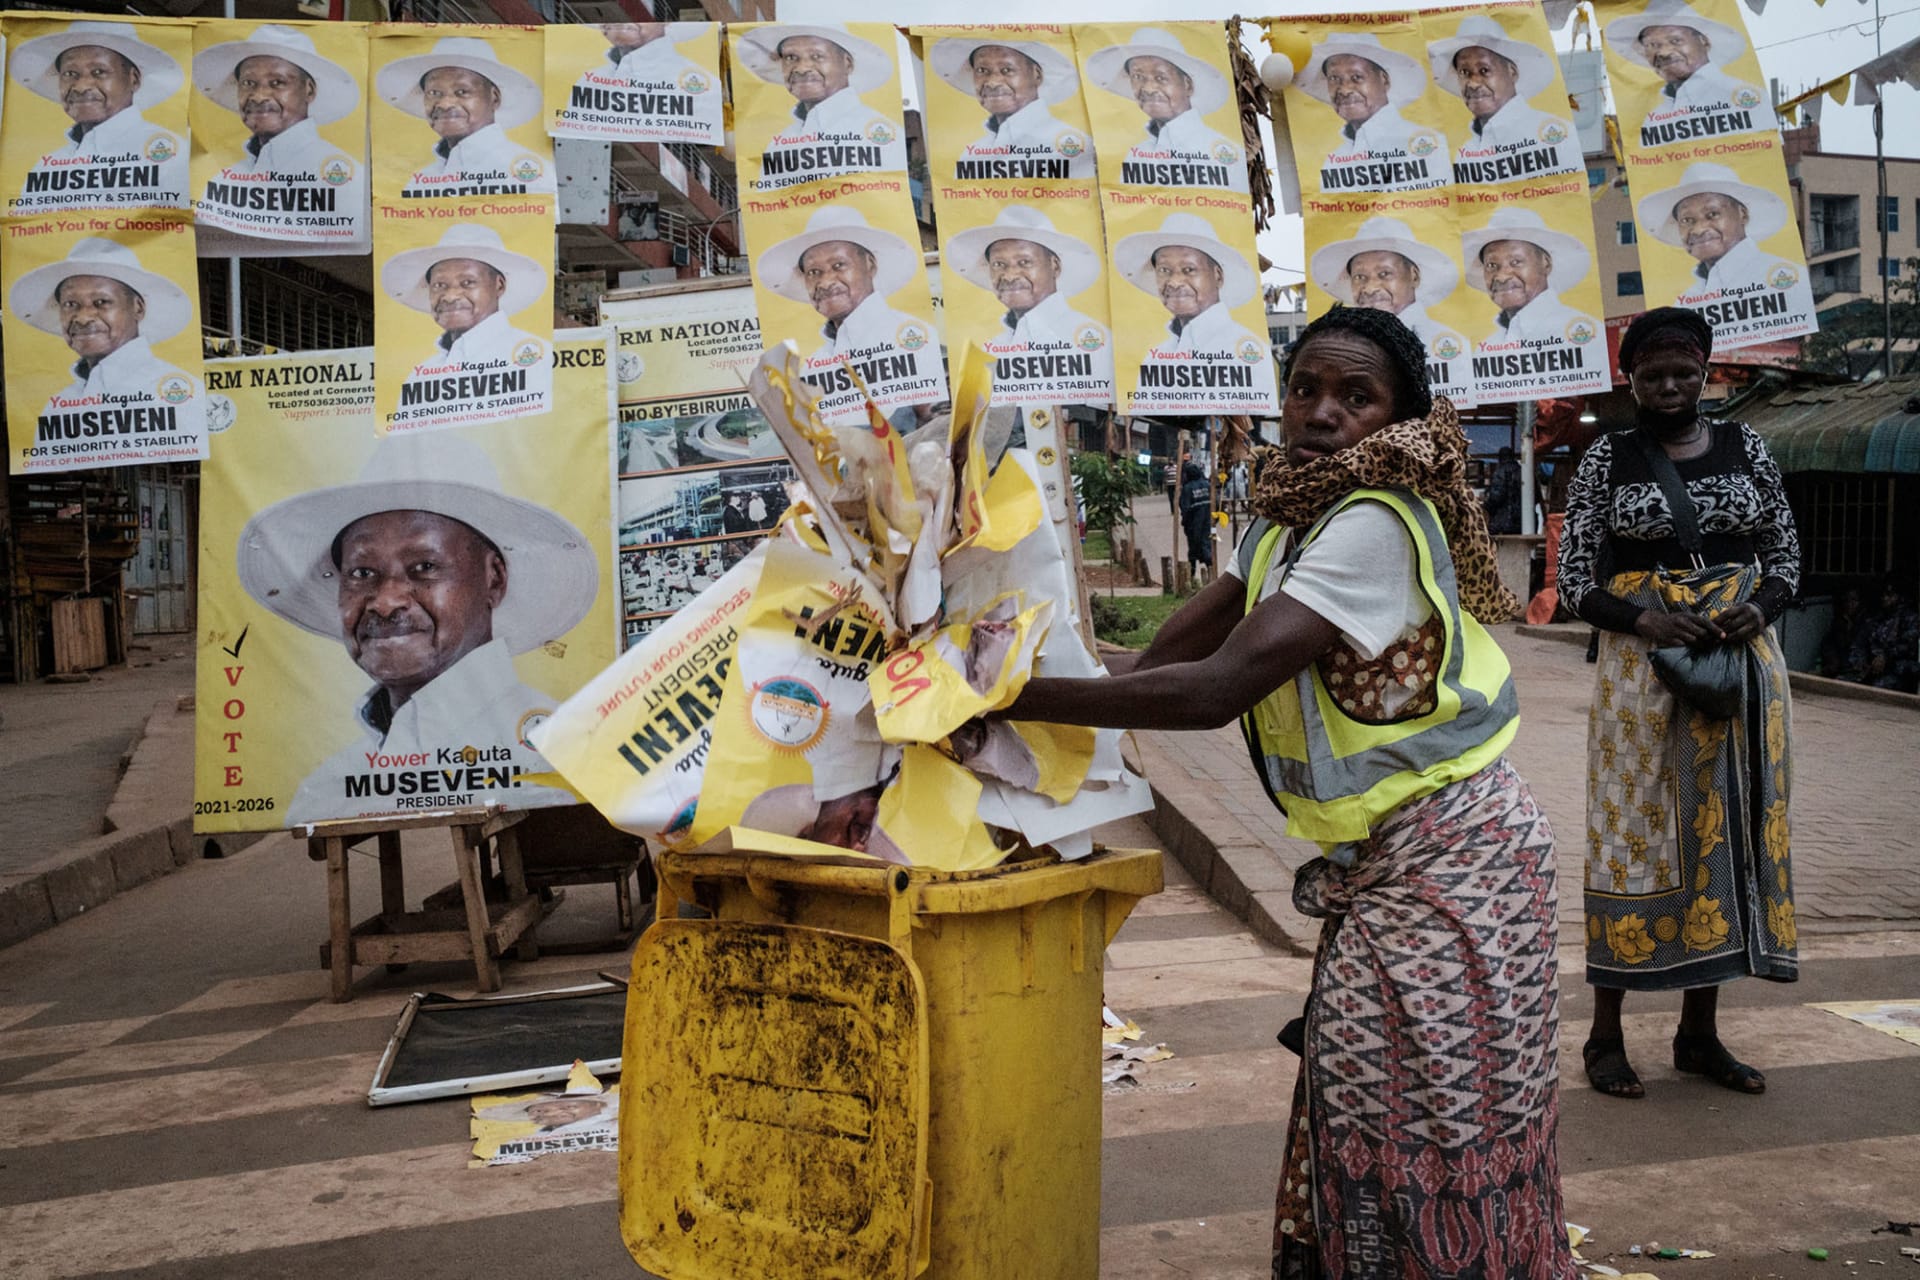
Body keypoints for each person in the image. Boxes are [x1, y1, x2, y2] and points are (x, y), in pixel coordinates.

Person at [998, 304, 1567, 1278]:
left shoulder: (1375, 522)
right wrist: (1044, 676)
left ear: (1397, 421)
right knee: (1365, 1093)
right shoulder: (1285, 513)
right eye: (1305, 387)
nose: (1321, 411)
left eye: (1356, 395)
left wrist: (999, 696)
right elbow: (1178, 649)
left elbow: (1218, 689)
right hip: (1383, 868)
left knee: (1429, 1122)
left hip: (1455, 857)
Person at [1556, 306, 1801, 1100]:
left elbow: (1787, 556)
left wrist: (1758, 609)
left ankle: (1700, 1034)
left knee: (1721, 835)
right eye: (1653, 374)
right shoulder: (1608, 459)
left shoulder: (1746, 445)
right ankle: (1604, 1035)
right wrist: (1643, 618)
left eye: (1683, 373)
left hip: (1739, 670)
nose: (1669, 386)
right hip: (1641, 673)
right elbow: (1572, 579)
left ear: (1706, 373)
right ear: (1631, 380)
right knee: (1633, 835)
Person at [237, 435, 599, 825]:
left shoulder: (559, 755)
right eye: (362, 573)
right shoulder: (328, 790)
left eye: (425, 567)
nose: (385, 601)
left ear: (493, 579)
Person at [754, 206, 943, 413]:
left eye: (838, 265)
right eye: (814, 272)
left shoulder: (916, 339)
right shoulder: (814, 365)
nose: (825, 282)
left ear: (870, 264)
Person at [9, 238, 203, 421]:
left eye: (101, 302)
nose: (83, 318)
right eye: (70, 304)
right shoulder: (58, 407)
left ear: (138, 308)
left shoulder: (179, 394)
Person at [8, 21, 190, 212]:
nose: (81, 86)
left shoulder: (170, 154)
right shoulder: (46, 168)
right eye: (70, 73)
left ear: (133, 79)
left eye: (98, 72)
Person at [383, 223, 552, 422]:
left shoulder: (536, 358)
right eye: (439, 285)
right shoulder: (421, 375)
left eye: (467, 283)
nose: (450, 296)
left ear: (499, 285)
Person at [376, 35, 554, 198]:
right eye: (434, 92)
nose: (445, 104)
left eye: (462, 92)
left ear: (494, 98)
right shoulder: (421, 180)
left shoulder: (526, 171)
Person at [1639, 162, 1816, 315]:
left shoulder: (1787, 279)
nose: (1699, 229)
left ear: (1742, 214)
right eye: (1687, 220)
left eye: (1712, 214)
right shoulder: (1687, 301)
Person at [1085, 27, 1247, 193]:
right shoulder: (1137, 154)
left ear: (1188, 85)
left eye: (1161, 77)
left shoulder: (1224, 153)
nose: (1148, 88)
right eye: (1137, 77)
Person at [733, 25, 907, 179]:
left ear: (847, 63)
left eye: (817, 56)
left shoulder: (881, 134)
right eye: (791, 58)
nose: (802, 69)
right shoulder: (779, 142)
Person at [1116, 214, 1275, 380]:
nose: (1175, 282)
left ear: (1218, 276)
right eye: (1164, 270)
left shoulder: (1245, 351)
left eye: (1189, 269)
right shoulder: (1156, 357)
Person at [948, 205, 1111, 364]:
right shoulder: (990, 350)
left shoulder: (1094, 340)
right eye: (998, 264)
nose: (1010, 276)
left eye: (1024, 262)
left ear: (1055, 266)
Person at [193, 24, 357, 178]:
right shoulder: (226, 179)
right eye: (248, 83)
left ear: (309, 90)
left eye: (277, 82)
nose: (259, 96)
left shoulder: (338, 174)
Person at [1428, 15, 1580, 178]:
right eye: (1464, 72)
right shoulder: (1465, 153)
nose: (1473, 83)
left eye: (1484, 70)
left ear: (1512, 72)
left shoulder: (1554, 135)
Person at [930, 37, 1094, 180]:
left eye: (1007, 70)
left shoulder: (1073, 144)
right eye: (982, 70)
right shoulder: (971, 154)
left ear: (1037, 75)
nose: (993, 82)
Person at [1605, 0, 1774, 123]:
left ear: (1704, 41)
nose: (1663, 53)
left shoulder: (1744, 98)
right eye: (1653, 45)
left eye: (1675, 41)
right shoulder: (1652, 117)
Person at [1308, 214, 1460, 349]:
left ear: (1414, 276)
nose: (1370, 288)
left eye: (1384, 274)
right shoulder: (1344, 348)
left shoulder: (1445, 344)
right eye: (1360, 277)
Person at [1464, 207, 1599, 347]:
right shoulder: (1488, 346)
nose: (1502, 277)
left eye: (1515, 262)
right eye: (1491, 265)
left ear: (1545, 263)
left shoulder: (1583, 334)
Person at [1296, 33, 1434, 163]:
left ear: (1384, 80)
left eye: (1356, 77)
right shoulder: (1335, 160)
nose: (1344, 90)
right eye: (1334, 78)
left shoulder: (1423, 143)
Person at [1850, 579, 1920, 693]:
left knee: (1879, 689)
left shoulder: (1910, 619)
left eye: (1890, 595)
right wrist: (1861, 663)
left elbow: (1908, 645)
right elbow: (1859, 643)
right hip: (1871, 669)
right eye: (1883, 595)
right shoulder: (1875, 617)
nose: (1885, 598)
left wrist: (1886, 657)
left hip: (1898, 670)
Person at [1176, 461, 1213, 579]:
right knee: (1207, 546)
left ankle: (1191, 576)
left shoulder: (1187, 488)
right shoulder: (1207, 485)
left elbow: (1185, 507)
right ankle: (1211, 573)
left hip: (1193, 525)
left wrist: (1184, 522)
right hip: (1208, 523)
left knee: (1193, 550)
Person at [1485, 444, 1523, 535]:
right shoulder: (1522, 471)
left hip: (1503, 521)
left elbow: (1496, 497)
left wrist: (1486, 506)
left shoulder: (1500, 472)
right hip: (1523, 520)